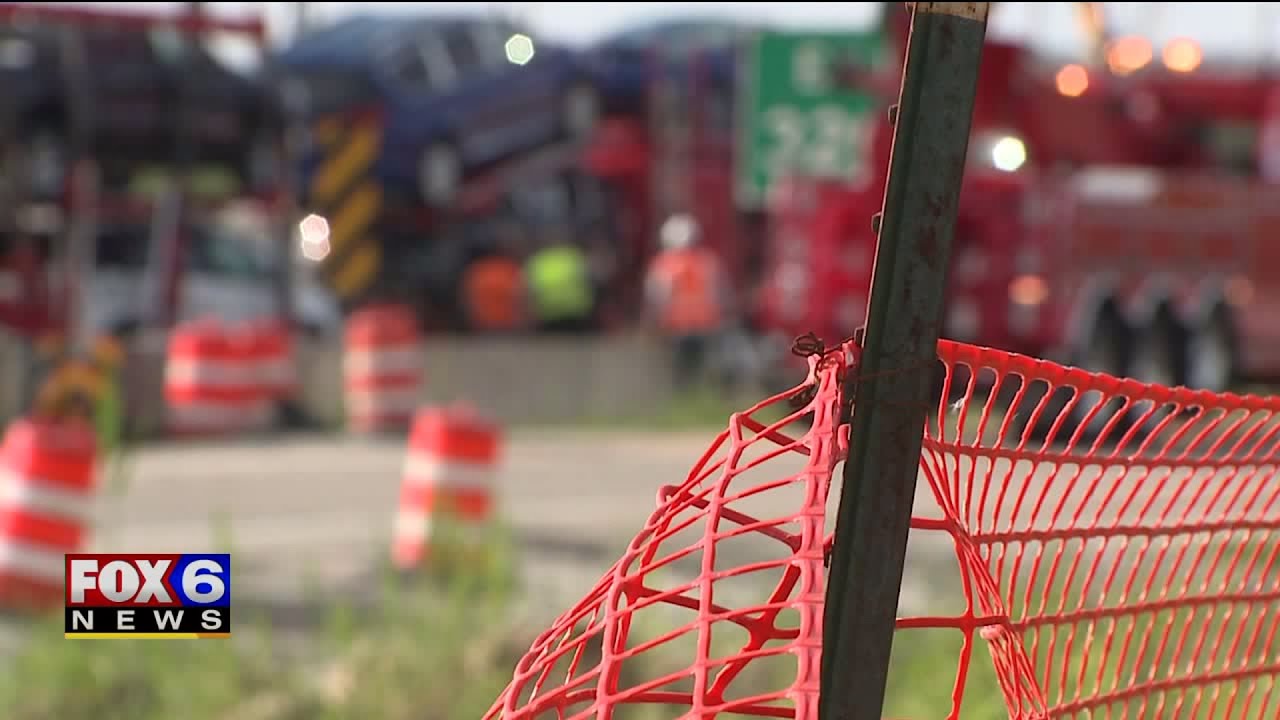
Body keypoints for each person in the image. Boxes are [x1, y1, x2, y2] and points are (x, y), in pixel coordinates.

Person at [643, 214, 730, 390]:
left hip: (676, 328)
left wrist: (651, 322)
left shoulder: (664, 265)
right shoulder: (707, 261)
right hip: (705, 326)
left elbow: (656, 298)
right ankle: (698, 401)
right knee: (701, 371)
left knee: (680, 374)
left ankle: (686, 402)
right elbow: (721, 294)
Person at [524, 229, 595, 334]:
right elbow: (591, 282)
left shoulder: (537, 261)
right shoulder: (575, 257)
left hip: (549, 316)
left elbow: (528, 293)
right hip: (576, 314)